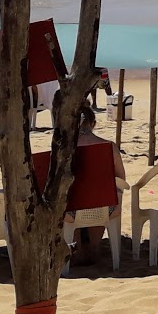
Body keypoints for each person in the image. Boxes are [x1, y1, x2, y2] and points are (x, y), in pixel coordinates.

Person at [63, 106, 126, 266]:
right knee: (102, 199)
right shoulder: (109, 147)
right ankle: (94, 247)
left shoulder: (65, 148)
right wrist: (118, 200)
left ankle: (76, 248)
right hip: (103, 207)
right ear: (93, 123)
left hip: (72, 210)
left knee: (70, 204)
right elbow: (120, 177)